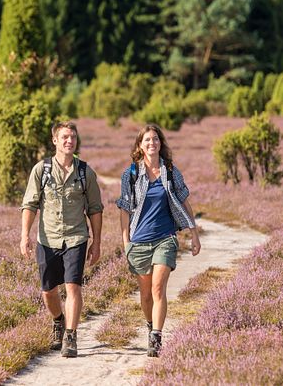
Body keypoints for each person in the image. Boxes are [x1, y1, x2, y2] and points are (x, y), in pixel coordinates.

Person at [116, 124, 201, 357]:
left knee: (158, 288)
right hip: (139, 240)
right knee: (145, 296)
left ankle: (157, 336)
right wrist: (126, 241)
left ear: (160, 143)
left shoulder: (171, 171)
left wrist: (194, 234)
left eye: (155, 139)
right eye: (147, 140)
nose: (151, 143)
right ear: (140, 146)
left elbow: (184, 202)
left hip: (165, 238)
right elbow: (124, 209)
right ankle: (150, 324)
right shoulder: (130, 174)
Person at [20, 121, 104, 358]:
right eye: (65, 137)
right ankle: (58, 320)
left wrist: (96, 242)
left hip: (76, 237)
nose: (70, 141)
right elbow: (30, 204)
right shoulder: (41, 170)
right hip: (47, 239)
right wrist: (24, 235)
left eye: (73, 137)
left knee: (73, 285)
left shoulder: (85, 172)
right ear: (55, 140)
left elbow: (95, 209)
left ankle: (70, 336)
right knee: (48, 290)